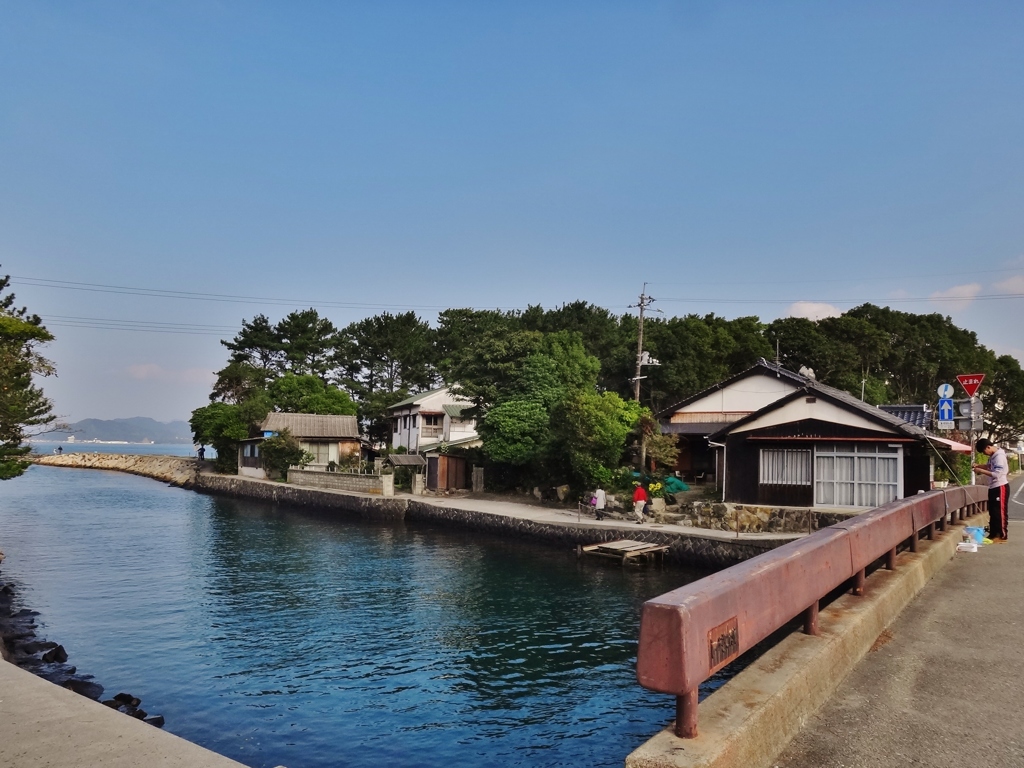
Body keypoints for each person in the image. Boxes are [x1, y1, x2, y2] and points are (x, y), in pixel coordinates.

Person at [973, 438, 1009, 542]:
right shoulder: (993, 456)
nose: (985, 454)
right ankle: (993, 534)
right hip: (993, 486)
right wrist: (979, 465)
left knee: (1000, 512)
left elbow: (997, 474)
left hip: (1000, 486)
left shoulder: (999, 457)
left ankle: (1002, 536)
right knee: (993, 512)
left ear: (988, 447)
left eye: (984, 451)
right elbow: (989, 466)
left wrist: (981, 470)